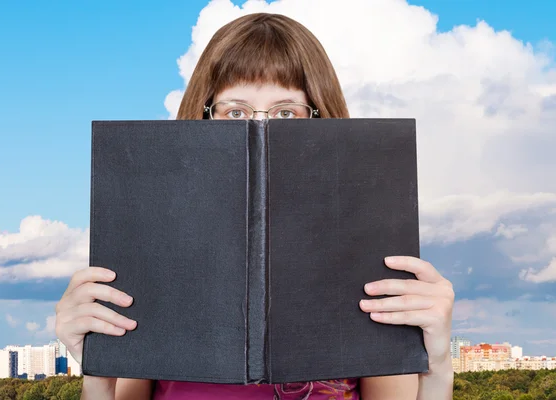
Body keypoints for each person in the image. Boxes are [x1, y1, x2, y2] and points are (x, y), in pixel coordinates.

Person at [55, 12, 455, 400]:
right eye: (236, 112)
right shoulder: (154, 250)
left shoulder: (366, 252)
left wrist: (436, 365)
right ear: (203, 116)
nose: (260, 128)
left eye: (285, 112)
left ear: (320, 119)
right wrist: (96, 370)